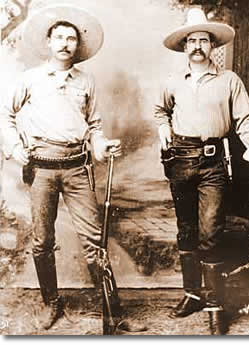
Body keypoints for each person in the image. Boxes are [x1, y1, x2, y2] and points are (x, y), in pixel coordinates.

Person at [0, 4, 146, 332]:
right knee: (41, 241)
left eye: (71, 38)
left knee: (94, 241)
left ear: (77, 46)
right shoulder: (31, 79)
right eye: (59, 37)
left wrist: (102, 144)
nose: (65, 43)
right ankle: (51, 303)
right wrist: (15, 147)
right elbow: (4, 117)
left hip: (78, 169)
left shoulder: (86, 81)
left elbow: (92, 126)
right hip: (42, 169)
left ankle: (114, 313)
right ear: (48, 43)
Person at [154, 7, 249, 318]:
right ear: (184, 47)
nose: (197, 45)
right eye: (191, 40)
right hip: (180, 160)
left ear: (213, 46)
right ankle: (192, 294)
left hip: (213, 164)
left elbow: (245, 119)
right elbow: (160, 112)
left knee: (210, 230)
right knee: (186, 230)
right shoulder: (172, 82)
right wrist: (163, 128)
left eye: (203, 40)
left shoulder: (229, 80)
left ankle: (212, 297)